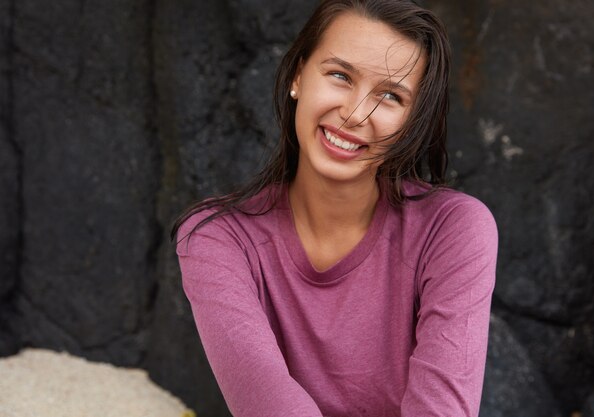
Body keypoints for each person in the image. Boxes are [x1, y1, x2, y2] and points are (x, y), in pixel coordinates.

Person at [173, 1, 498, 416]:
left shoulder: (453, 229)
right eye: (340, 75)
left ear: (412, 121)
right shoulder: (216, 237)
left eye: (390, 96)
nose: (355, 113)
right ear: (297, 76)